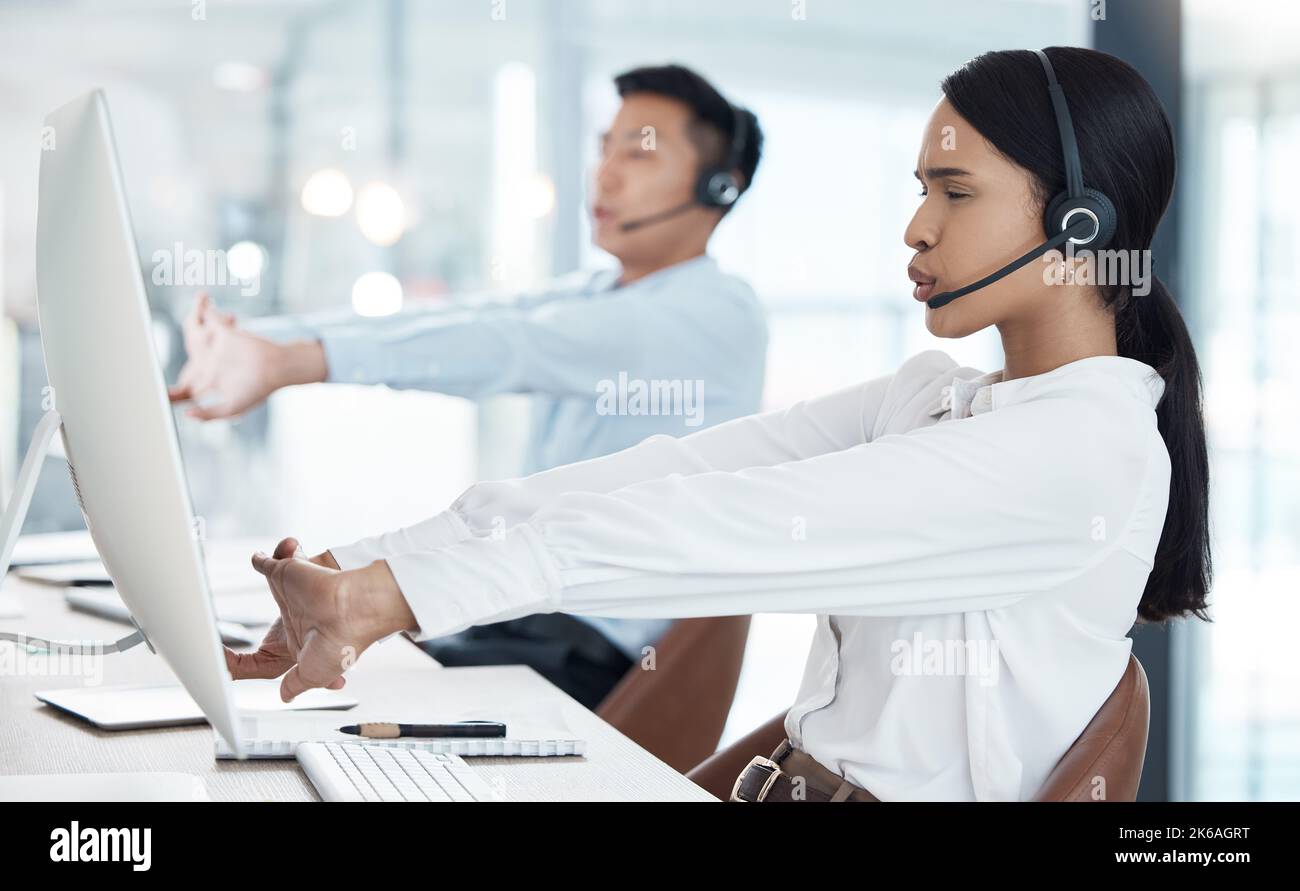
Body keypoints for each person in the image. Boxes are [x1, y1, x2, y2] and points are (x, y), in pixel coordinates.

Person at [228, 46, 1212, 801]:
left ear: (1079, 224)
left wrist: (403, 595)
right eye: (920, 189)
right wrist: (355, 574)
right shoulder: (930, 396)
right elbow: (653, 479)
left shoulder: (1081, 452)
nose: (916, 227)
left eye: (955, 192)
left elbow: (729, 527)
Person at [172, 64, 768, 708]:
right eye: (605, 147)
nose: (607, 173)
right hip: (516, 616)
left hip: (586, 654)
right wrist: (264, 340)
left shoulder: (711, 313)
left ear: (718, 187)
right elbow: (465, 319)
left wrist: (287, 362)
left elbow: (502, 348)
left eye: (640, 150)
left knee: (318, 703)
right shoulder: (599, 292)